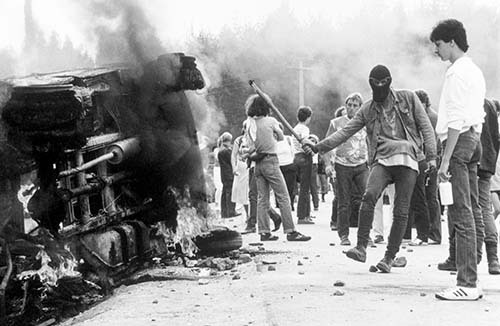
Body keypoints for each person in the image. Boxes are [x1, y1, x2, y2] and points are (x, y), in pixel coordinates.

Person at [303, 64, 437, 273]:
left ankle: (389, 258)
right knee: (369, 196)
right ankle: (361, 247)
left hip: (409, 158)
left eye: (384, 84)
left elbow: (426, 126)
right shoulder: (368, 108)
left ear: (390, 82)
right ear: (371, 85)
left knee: (401, 209)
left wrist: (431, 157)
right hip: (382, 159)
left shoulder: (409, 98)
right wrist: (319, 147)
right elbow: (344, 132)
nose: (380, 90)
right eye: (376, 86)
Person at [431, 19, 486, 300]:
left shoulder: (455, 73)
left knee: (460, 213)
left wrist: (444, 161)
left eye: (438, 45)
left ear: (451, 42)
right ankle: (471, 273)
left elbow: (454, 120)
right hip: (474, 139)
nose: (437, 51)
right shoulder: (475, 70)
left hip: (459, 142)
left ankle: (467, 283)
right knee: (473, 210)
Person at [245, 94, 311, 242]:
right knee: (283, 196)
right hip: (270, 160)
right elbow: (281, 137)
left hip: (257, 164)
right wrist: (273, 135)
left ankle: (264, 232)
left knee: (263, 199)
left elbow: (251, 144)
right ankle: (290, 231)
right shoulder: (271, 121)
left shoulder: (250, 123)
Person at [323, 93, 368, 246]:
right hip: (342, 165)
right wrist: (328, 164)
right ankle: (344, 235)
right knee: (344, 201)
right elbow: (327, 144)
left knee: (367, 199)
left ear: (360, 107)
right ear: (345, 105)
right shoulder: (336, 123)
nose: (351, 108)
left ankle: (365, 235)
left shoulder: (365, 122)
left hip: (362, 164)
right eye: (349, 105)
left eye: (355, 105)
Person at [415, 89, 442, 245]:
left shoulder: (430, 118)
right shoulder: (435, 116)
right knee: (431, 197)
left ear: (423, 103)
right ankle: (434, 233)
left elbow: (432, 142)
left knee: (430, 197)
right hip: (433, 160)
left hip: (430, 161)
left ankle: (434, 234)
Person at [292, 106, 315, 224]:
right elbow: (305, 142)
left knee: (302, 187)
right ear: (308, 117)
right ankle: (302, 216)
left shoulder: (295, 128)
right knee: (305, 188)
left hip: (296, 157)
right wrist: (315, 147)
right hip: (304, 157)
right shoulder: (304, 129)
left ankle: (306, 214)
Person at [217, 132, 238, 218]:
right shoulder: (227, 151)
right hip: (229, 174)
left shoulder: (220, 150)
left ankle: (224, 212)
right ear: (229, 140)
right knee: (230, 193)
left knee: (224, 193)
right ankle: (231, 211)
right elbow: (232, 161)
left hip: (223, 174)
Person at [231, 126, 250, 218]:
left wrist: (247, 154)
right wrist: (234, 167)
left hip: (253, 166)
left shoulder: (256, 138)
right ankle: (248, 215)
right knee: (243, 192)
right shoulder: (239, 140)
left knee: (254, 192)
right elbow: (233, 155)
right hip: (242, 168)